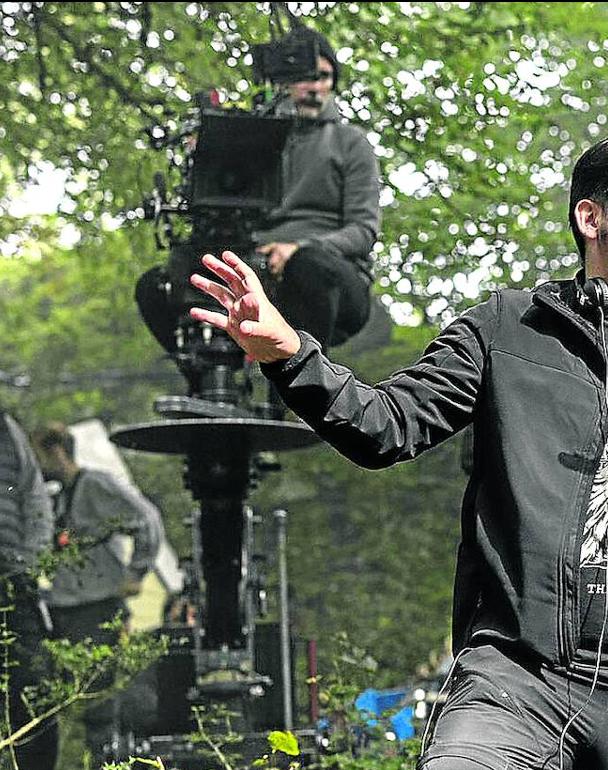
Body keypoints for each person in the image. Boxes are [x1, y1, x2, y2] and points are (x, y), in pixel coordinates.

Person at [188, 130, 608, 770]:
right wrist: (290, 355)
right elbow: (387, 425)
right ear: (591, 217)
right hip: (520, 676)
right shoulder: (508, 327)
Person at [136, 25, 381, 358]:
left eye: (324, 77)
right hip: (256, 266)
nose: (316, 87)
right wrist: (209, 153)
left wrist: (297, 248)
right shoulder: (251, 139)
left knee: (308, 265)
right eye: (307, 77)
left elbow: (363, 231)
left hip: (330, 277)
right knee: (157, 285)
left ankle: (298, 396)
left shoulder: (351, 143)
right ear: (282, 81)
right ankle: (210, 386)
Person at [30, 422, 166, 762]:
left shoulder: (95, 485)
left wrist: (137, 572)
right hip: (65, 608)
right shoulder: (59, 494)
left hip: (96, 607)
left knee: (100, 703)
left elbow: (147, 519)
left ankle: (110, 765)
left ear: (56, 451)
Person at [0, 411, 57, 770]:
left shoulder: (6, 430)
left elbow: (35, 498)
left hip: (11, 579)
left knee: (31, 685)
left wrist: (28, 564)